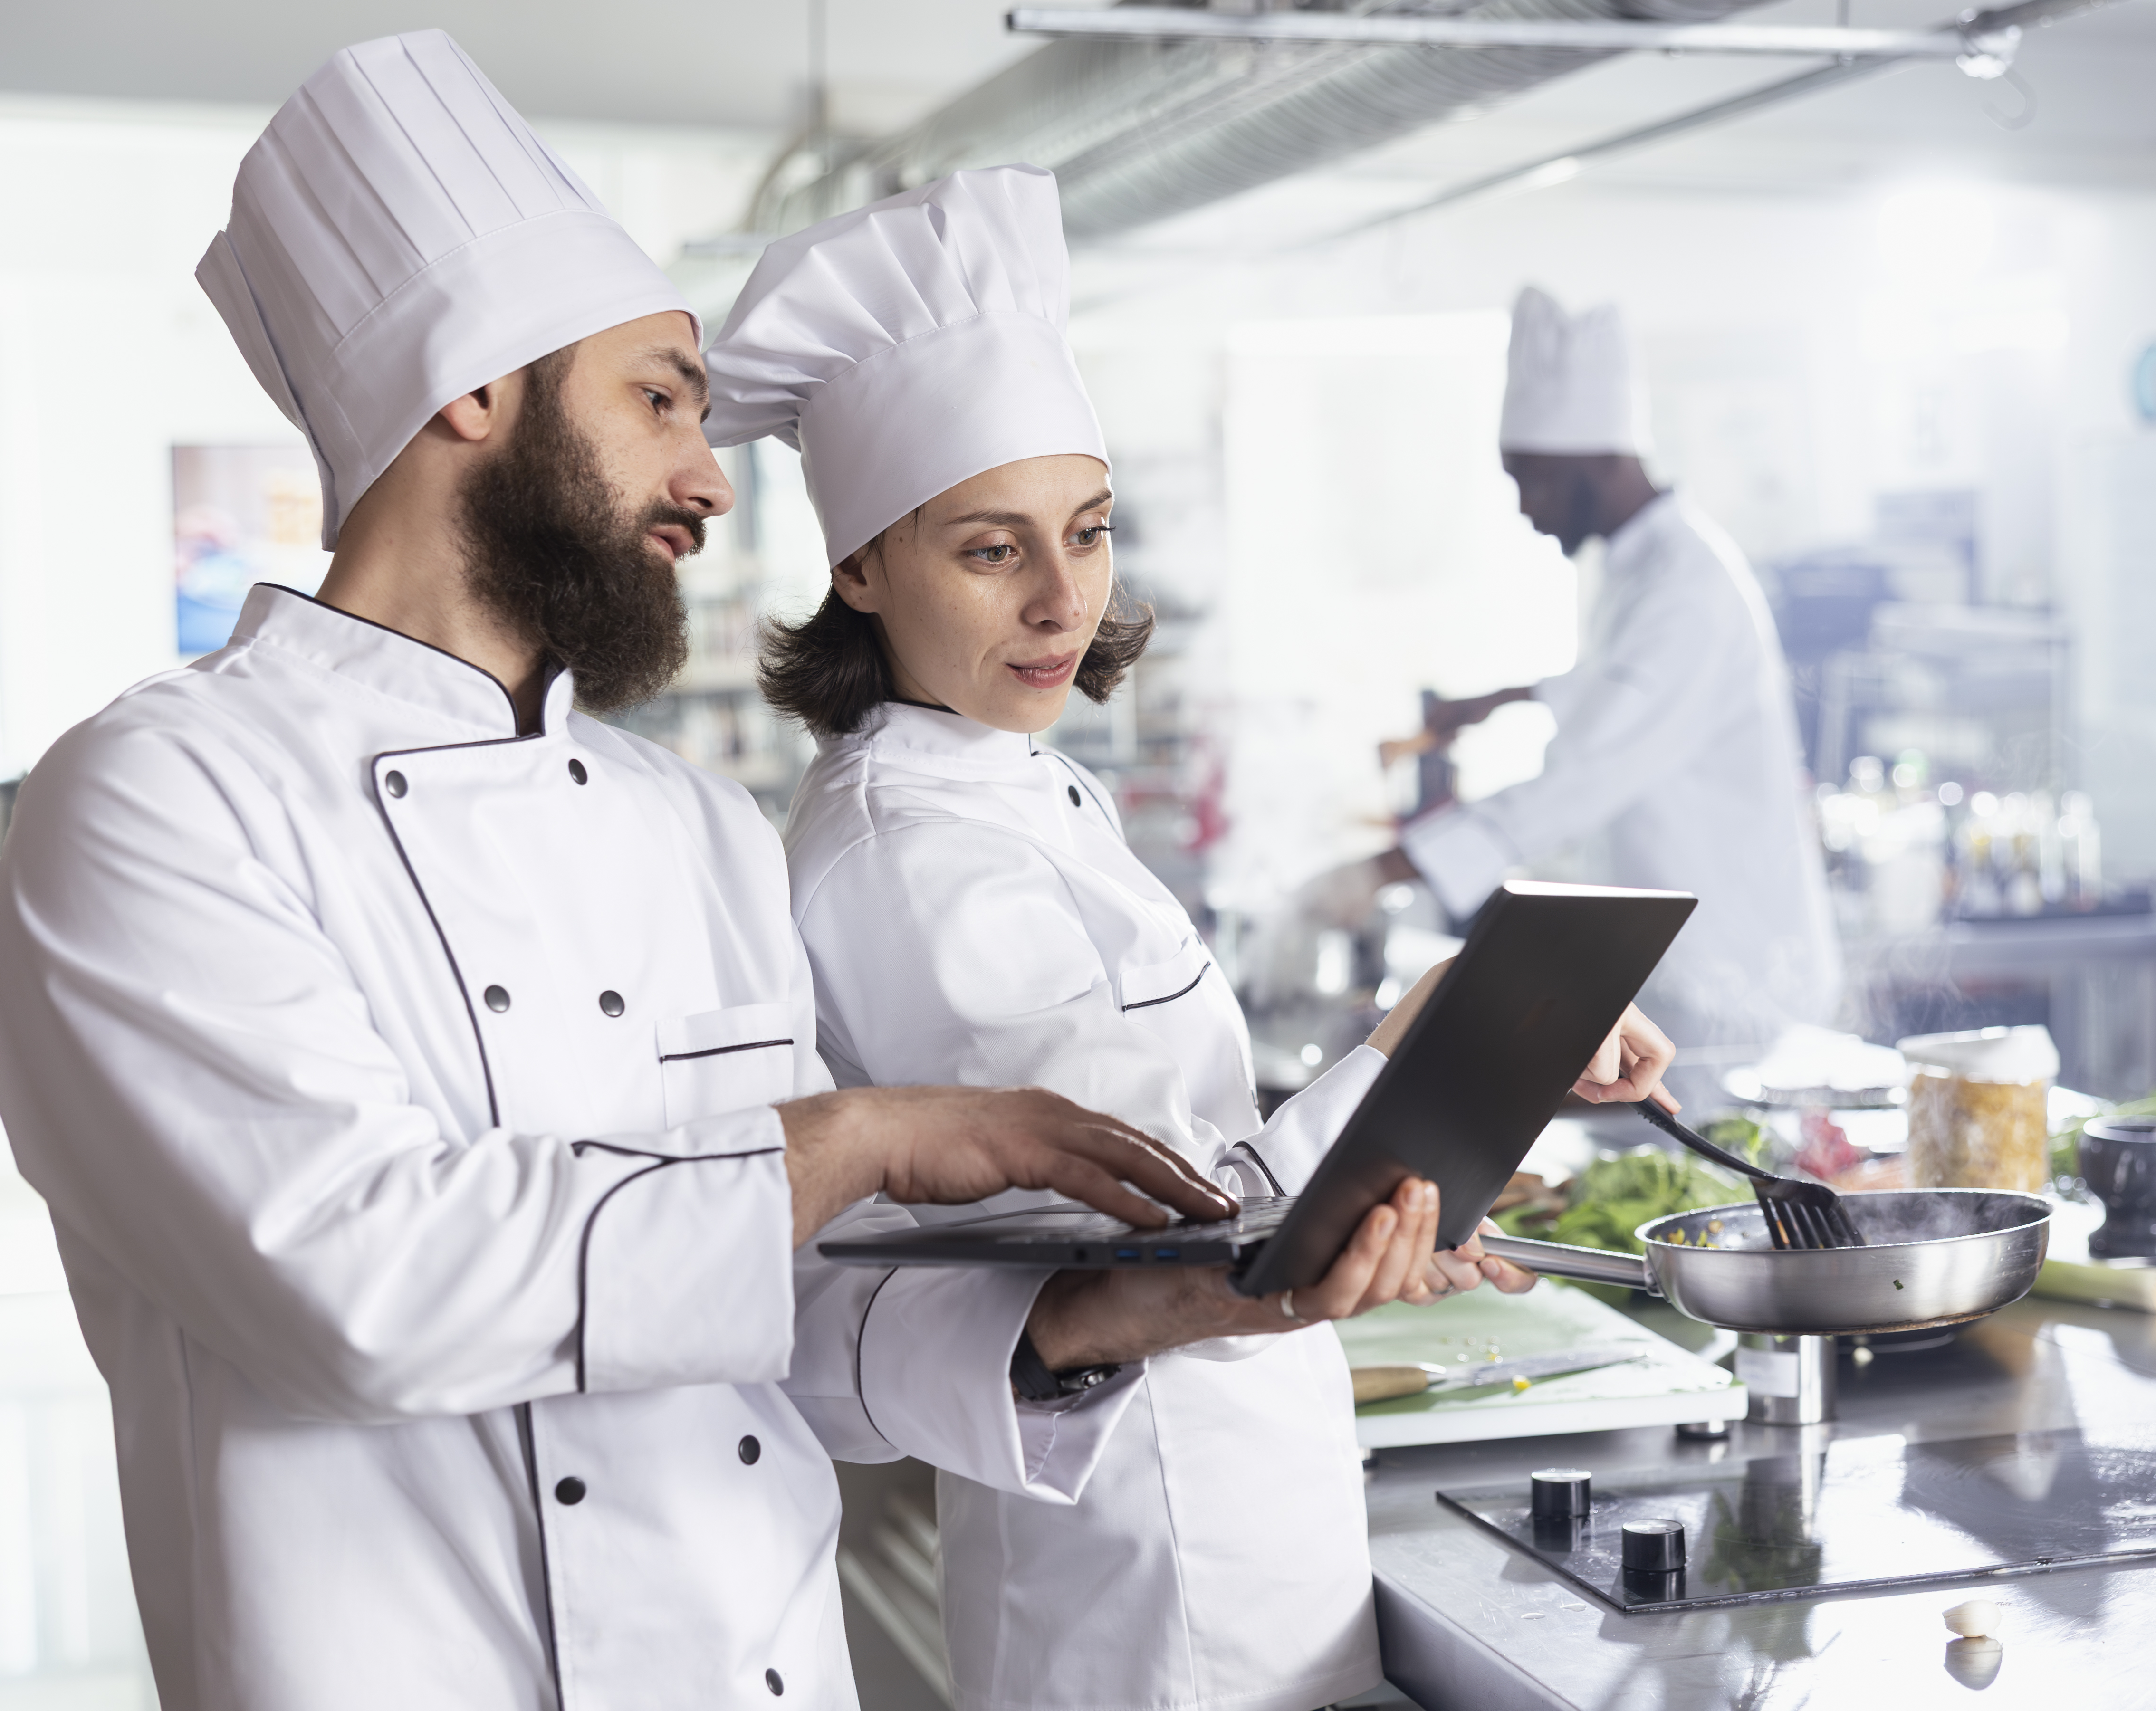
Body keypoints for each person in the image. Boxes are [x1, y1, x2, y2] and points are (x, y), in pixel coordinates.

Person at [0, 40, 1443, 1711]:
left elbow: (788, 1320)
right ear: (474, 386)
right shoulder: (157, 801)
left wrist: (1126, 1316)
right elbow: (362, 1286)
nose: (707, 475)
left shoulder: (688, 828)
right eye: (660, 397)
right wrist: (863, 1135)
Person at [706, 167, 1676, 1711]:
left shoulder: (1011, 781)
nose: (1059, 601)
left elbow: (1206, 1157)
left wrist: (1449, 1078)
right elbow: (1154, 1221)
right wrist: (1428, 1037)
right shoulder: (910, 852)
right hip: (1146, 1564)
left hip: (1233, 1502)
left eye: (1083, 534)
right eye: (988, 549)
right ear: (860, 566)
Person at [1342, 287, 1840, 1061]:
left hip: (1733, 982)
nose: (1523, 507)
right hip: (1675, 974)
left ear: (1603, 462)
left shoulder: (1687, 587)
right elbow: (1614, 690)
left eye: (1532, 479)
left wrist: (1379, 870)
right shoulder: (1642, 567)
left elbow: (1590, 773)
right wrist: (1504, 699)